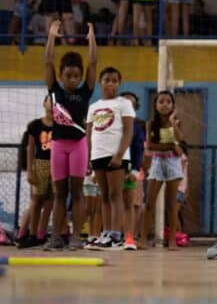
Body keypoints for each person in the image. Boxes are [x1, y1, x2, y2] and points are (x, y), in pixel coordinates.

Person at [43, 20, 97, 251]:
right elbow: (48, 61)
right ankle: (56, 237)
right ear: (62, 75)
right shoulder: (54, 89)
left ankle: (76, 237)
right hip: (58, 145)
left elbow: (93, 62)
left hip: (78, 146)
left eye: (77, 76)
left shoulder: (86, 91)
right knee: (59, 193)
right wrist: (52, 37)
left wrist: (91, 37)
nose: (73, 80)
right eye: (69, 76)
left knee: (77, 193)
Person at [86, 67, 135, 250]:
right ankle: (106, 233)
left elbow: (129, 131)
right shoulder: (93, 106)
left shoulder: (123, 104)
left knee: (115, 195)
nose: (111, 84)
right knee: (104, 196)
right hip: (98, 155)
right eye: (107, 80)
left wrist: (120, 155)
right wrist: (89, 159)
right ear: (100, 82)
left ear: (119, 84)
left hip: (116, 156)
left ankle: (116, 235)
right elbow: (90, 134)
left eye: (115, 80)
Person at [139, 91, 185, 250]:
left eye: (168, 102)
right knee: (150, 203)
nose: (165, 105)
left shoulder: (176, 122)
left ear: (173, 106)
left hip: (173, 163)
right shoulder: (151, 124)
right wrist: (172, 146)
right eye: (161, 102)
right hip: (158, 161)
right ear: (155, 105)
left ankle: (172, 240)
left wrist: (173, 123)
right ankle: (143, 238)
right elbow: (151, 146)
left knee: (172, 205)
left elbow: (180, 139)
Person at [17, 96, 55, 248]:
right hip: (40, 164)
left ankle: (41, 234)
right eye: (49, 101)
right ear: (43, 103)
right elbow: (30, 148)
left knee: (50, 201)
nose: (52, 104)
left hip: (56, 165)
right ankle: (31, 234)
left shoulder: (61, 126)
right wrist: (30, 170)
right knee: (37, 199)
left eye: (55, 102)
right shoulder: (35, 125)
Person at [121, 91, 145, 251]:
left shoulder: (137, 126)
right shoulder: (110, 124)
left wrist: (135, 171)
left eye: (132, 104)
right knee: (111, 202)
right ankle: (112, 234)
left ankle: (130, 236)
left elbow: (139, 149)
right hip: (111, 168)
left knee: (133, 203)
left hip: (130, 168)